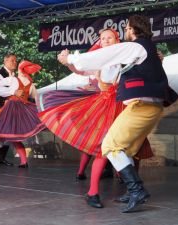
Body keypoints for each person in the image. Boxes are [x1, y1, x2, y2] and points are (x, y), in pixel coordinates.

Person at [57, 15, 178, 213]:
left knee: (109, 146)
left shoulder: (135, 47)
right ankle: (129, 191)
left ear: (131, 29)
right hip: (144, 106)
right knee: (127, 149)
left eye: (125, 29)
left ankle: (136, 190)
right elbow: (96, 64)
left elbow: (99, 57)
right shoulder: (145, 49)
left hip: (140, 106)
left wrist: (69, 57)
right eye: (103, 39)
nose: (108, 41)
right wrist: (73, 64)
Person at [39, 29, 153, 209]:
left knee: (130, 148)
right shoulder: (101, 59)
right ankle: (93, 192)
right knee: (103, 148)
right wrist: (68, 61)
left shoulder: (125, 55)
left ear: (117, 40)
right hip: (105, 106)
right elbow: (81, 70)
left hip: (123, 105)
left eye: (110, 38)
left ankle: (132, 190)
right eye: (103, 38)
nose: (106, 41)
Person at [0, 60, 46, 168]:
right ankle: (23, 161)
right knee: (15, 137)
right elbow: (36, 99)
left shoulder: (14, 80)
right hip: (21, 112)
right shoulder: (31, 85)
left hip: (10, 109)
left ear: (20, 69)